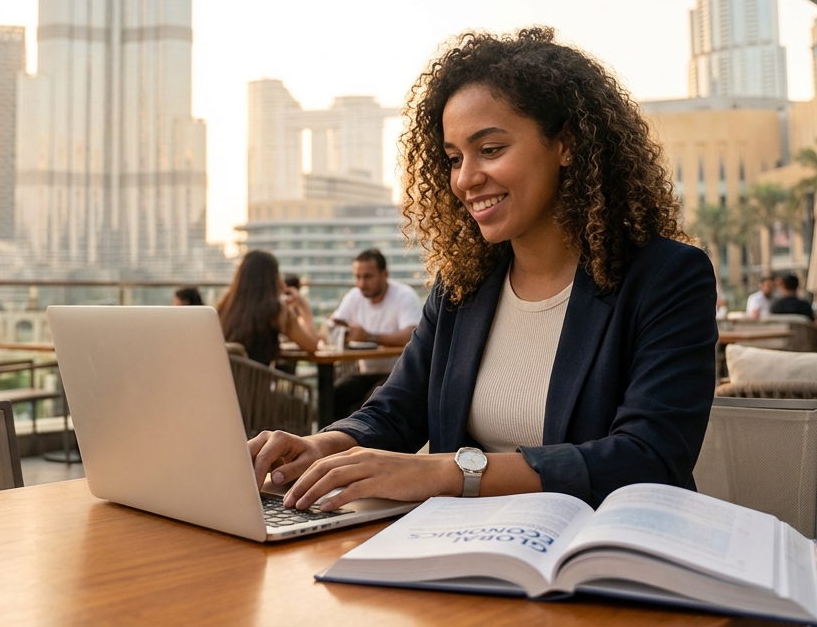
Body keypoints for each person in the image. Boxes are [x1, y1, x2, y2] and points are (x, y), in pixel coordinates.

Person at [249, 26, 717, 513]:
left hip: (605, 552)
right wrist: (326, 445)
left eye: (490, 150)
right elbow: (398, 407)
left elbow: (648, 458)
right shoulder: (464, 285)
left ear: (568, 143)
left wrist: (447, 471)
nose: (465, 178)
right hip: (473, 545)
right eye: (454, 158)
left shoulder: (667, 276)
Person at [329, 249, 423, 413]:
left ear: (384, 274)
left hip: (398, 374)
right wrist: (339, 333)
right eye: (357, 277)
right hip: (367, 372)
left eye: (368, 277)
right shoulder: (355, 296)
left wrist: (369, 337)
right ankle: (328, 437)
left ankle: (358, 436)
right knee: (335, 394)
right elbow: (332, 324)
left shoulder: (404, 296)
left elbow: (411, 335)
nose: (361, 284)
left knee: (370, 401)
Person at [216, 250, 319, 367]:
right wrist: (304, 306)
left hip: (225, 382)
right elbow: (312, 345)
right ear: (272, 277)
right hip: (258, 383)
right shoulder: (276, 310)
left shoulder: (225, 308)